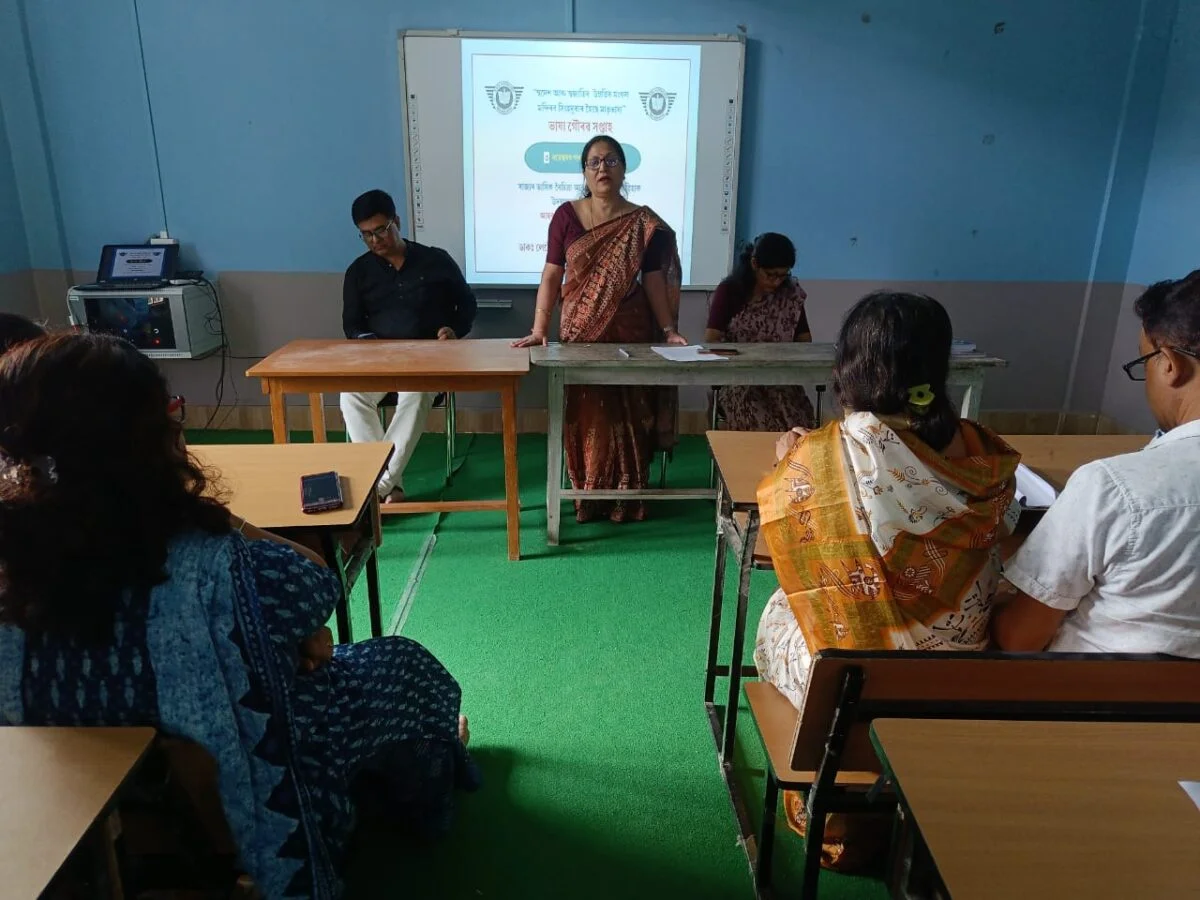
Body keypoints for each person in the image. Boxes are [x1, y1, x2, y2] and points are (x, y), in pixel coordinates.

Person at [0, 333, 478, 899]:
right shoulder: (217, 565)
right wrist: (217, 519)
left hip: (76, 812)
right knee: (402, 665)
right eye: (169, 413)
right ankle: (420, 795)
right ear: (148, 443)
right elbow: (318, 582)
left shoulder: (14, 571)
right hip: (249, 797)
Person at [755, 292, 1020, 870]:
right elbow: (1008, 528)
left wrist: (786, 464)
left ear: (850, 366)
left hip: (852, 682)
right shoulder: (981, 451)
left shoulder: (823, 455)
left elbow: (791, 554)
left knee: (781, 608)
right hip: (957, 669)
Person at [994, 270, 1200, 656]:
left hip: (1096, 688)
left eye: (1145, 361)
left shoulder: (1114, 487)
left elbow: (1018, 639)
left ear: (1170, 365)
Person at [512, 136, 687, 523]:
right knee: (588, 411)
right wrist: (540, 328)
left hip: (630, 330)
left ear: (624, 169)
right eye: (593, 162)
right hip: (580, 331)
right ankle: (587, 496)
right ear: (584, 172)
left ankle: (628, 496)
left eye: (610, 161)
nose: (602, 168)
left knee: (630, 408)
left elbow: (653, 279)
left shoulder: (643, 223)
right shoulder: (566, 216)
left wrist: (668, 329)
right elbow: (552, 273)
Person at [341, 189, 477, 502]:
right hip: (379, 363)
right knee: (350, 396)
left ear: (397, 222)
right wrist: (368, 343)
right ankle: (390, 486)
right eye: (366, 235)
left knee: (415, 394)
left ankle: (374, 490)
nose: (375, 240)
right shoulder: (358, 272)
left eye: (380, 230)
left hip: (429, 363)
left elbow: (467, 305)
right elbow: (351, 325)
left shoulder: (436, 260)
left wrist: (454, 330)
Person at [705, 233, 816, 430]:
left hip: (780, 379)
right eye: (771, 275)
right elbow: (712, 339)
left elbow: (804, 340)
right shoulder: (730, 291)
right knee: (757, 420)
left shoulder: (790, 296)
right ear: (755, 264)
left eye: (783, 275)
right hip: (739, 380)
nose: (776, 282)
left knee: (799, 424)